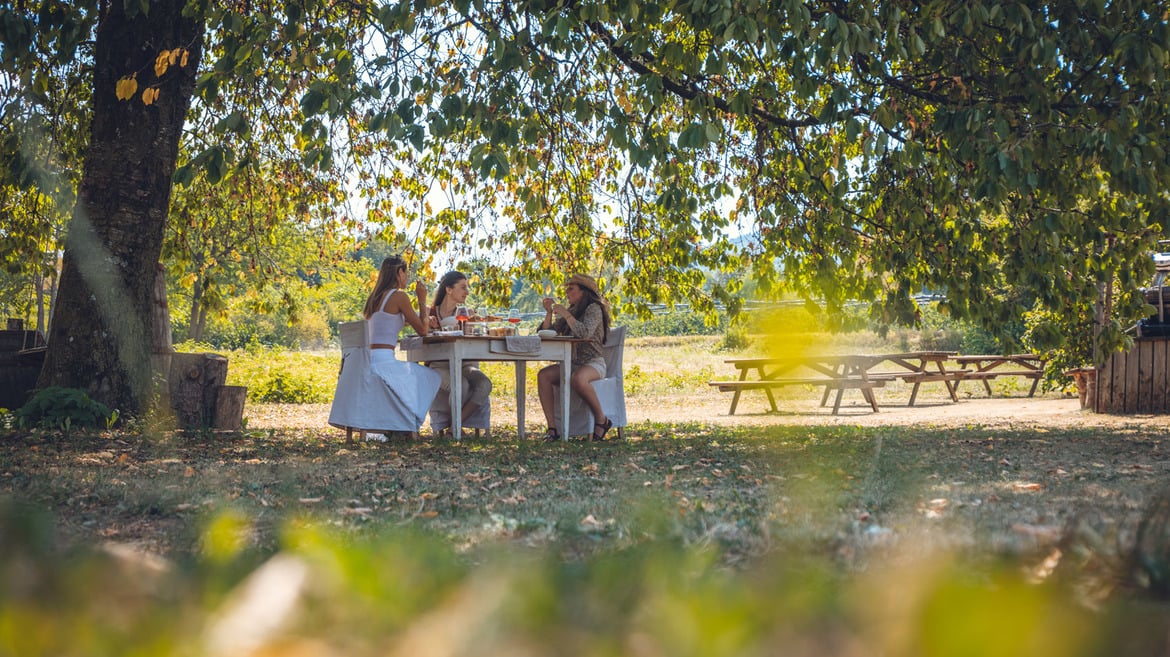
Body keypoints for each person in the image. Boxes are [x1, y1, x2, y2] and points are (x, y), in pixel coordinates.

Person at [359, 255, 441, 434]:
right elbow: (423, 331)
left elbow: (396, 322)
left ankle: (397, 425)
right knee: (432, 377)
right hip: (384, 363)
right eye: (406, 273)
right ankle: (407, 426)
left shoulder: (375, 298)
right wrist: (421, 298)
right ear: (399, 272)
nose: (407, 278)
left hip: (367, 361)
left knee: (414, 374)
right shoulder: (399, 296)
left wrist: (424, 317)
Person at [536, 273, 612, 442]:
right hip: (571, 363)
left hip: (592, 363)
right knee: (544, 376)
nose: (567, 293)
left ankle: (602, 419)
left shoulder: (594, 309)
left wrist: (565, 314)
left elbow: (584, 332)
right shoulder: (572, 310)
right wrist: (549, 313)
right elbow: (547, 334)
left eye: (571, 289)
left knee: (578, 379)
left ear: (583, 292)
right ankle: (552, 428)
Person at [427, 270, 493, 433]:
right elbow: (422, 339)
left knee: (485, 384)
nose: (467, 292)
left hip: (464, 365)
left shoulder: (465, 313)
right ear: (449, 289)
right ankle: (455, 427)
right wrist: (428, 325)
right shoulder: (430, 313)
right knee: (460, 384)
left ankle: (455, 425)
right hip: (438, 366)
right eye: (463, 287)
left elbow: (476, 336)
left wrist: (474, 325)